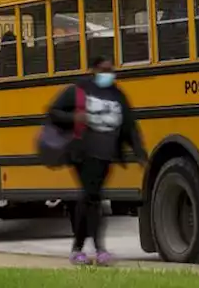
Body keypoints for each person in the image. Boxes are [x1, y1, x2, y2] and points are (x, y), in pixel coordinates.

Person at [46, 55, 147, 266]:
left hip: (105, 155)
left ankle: (80, 248)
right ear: (93, 70)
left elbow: (129, 125)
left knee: (90, 198)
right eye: (103, 70)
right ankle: (96, 249)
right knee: (92, 197)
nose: (108, 74)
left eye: (110, 70)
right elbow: (53, 111)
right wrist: (74, 118)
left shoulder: (117, 94)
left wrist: (139, 153)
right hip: (82, 153)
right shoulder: (79, 90)